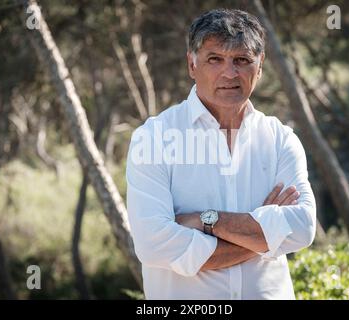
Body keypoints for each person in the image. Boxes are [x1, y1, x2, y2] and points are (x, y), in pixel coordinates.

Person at [126, 8, 316, 300]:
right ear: (192, 64)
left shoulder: (281, 139)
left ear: (260, 65)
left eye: (242, 60)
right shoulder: (153, 139)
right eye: (215, 59)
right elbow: (154, 244)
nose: (230, 73)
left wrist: (205, 220)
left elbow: (302, 228)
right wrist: (264, 237)